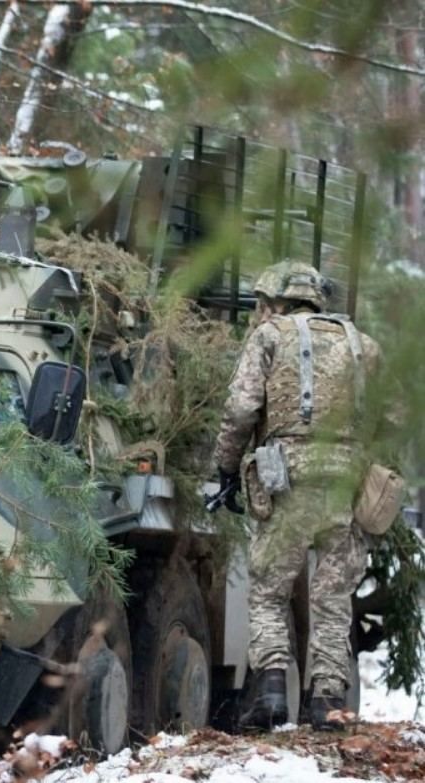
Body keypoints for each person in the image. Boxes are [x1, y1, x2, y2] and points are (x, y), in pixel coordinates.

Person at [212, 260, 383, 731]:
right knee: (332, 597)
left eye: (260, 304)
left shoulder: (269, 336)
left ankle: (269, 690)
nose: (257, 313)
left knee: (268, 589)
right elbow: (391, 415)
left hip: (285, 477)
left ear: (274, 303)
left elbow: (242, 406)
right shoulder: (363, 346)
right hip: (346, 480)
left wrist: (226, 467)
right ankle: (327, 702)